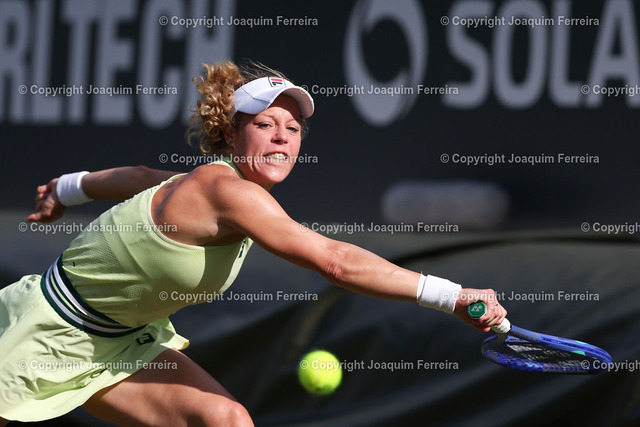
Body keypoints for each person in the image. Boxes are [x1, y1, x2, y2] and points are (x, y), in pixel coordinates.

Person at [0, 61, 506, 426]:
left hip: (120, 339)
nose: (282, 137)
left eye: (293, 128)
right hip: (43, 331)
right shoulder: (230, 193)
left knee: (226, 421)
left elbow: (135, 176)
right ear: (231, 133)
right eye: (265, 124)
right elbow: (334, 261)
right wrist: (450, 296)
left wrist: (66, 189)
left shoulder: (201, 182)